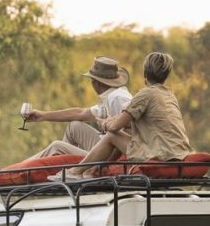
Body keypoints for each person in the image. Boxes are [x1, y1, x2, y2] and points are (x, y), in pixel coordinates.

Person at [51, 52, 192, 181]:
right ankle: (92, 170)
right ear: (166, 75)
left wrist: (105, 122)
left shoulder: (145, 94)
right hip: (178, 153)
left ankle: (75, 172)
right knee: (117, 135)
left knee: (112, 135)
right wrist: (114, 121)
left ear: (145, 74)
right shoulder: (169, 95)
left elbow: (115, 127)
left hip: (159, 155)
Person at [0, 56, 132, 171]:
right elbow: (80, 113)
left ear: (95, 82)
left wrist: (105, 162)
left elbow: (130, 131)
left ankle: (8, 172)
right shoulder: (110, 95)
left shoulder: (118, 98)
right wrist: (43, 116)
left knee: (56, 147)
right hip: (106, 145)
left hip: (111, 153)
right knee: (74, 126)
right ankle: (60, 168)